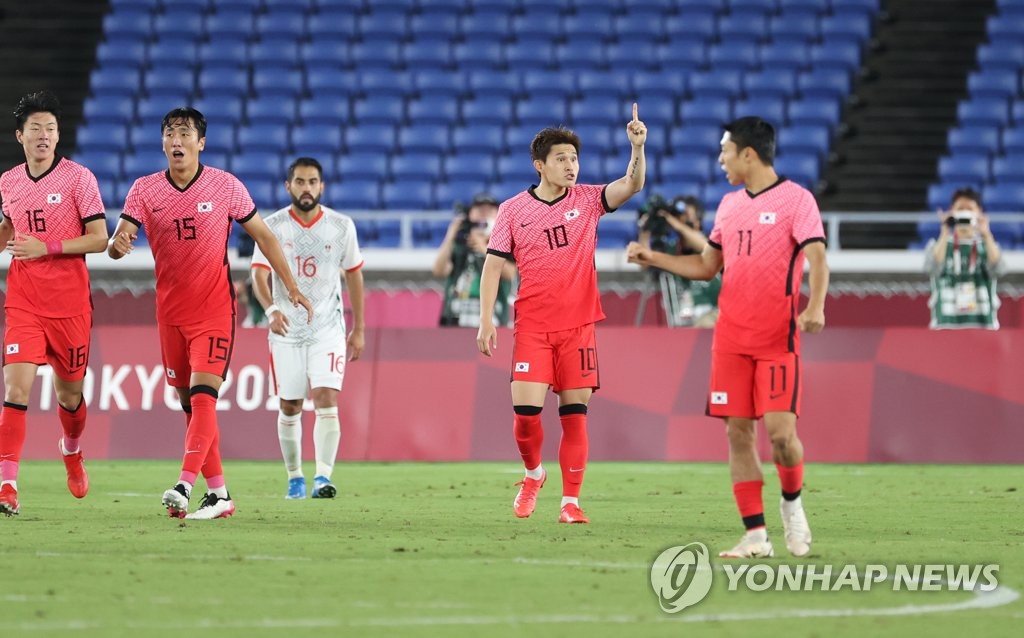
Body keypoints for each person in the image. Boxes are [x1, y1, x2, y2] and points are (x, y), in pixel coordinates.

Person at [627, 116, 829, 558]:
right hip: (730, 340)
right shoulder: (729, 206)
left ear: (748, 154)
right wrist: (652, 256)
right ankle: (755, 535)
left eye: (725, 151)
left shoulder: (798, 201)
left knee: (780, 436)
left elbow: (817, 254)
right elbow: (705, 267)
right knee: (738, 433)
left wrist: (815, 305)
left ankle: (792, 504)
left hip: (777, 338)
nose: (720, 160)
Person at [107, 107, 312, 520]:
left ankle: (184, 484)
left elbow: (265, 237)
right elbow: (118, 241)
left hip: (214, 310)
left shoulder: (225, 186)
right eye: (170, 134)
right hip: (170, 314)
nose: (177, 141)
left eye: (185, 133)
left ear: (201, 142)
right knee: (190, 404)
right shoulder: (144, 190)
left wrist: (290, 286)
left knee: (203, 397)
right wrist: (118, 245)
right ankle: (219, 494)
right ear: (162, 143)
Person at [476, 103, 648, 524]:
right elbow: (493, 265)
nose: (571, 165)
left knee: (574, 416)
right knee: (526, 416)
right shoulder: (514, 209)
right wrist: (485, 320)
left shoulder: (589, 200)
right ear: (540, 164)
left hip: (579, 328)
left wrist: (637, 148)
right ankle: (534, 475)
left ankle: (570, 503)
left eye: (574, 158)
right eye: (561, 158)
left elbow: (632, 185)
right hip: (533, 326)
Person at [0, 91, 109, 516]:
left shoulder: (79, 178)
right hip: (24, 300)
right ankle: (7, 485)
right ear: (20, 136)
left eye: (50, 129)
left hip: (69, 305)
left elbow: (99, 238)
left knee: (70, 396)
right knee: (15, 388)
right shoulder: (8, 181)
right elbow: (8, 226)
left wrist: (47, 247)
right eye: (35, 129)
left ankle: (72, 449)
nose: (44, 136)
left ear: (58, 135)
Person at [249, 157, 365, 500]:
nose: (306, 188)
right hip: (285, 330)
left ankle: (323, 478)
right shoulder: (271, 227)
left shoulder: (342, 226)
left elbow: (355, 274)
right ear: (288, 187)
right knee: (290, 405)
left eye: (312, 182)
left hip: (327, 328)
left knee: (326, 398)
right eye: (299, 182)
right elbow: (258, 273)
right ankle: (295, 477)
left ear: (322, 186)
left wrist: (359, 328)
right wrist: (271, 309)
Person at [637, 194, 720, 327]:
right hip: (682, 323)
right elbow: (644, 265)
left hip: (711, 320)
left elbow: (706, 247)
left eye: (686, 215)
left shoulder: (711, 244)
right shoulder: (671, 250)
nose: (680, 219)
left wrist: (674, 222)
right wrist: (645, 232)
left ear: (698, 221)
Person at [925, 187, 1002, 330]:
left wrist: (987, 235)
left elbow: (998, 269)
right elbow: (932, 268)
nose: (964, 212)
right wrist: (945, 232)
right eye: (960, 208)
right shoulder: (937, 245)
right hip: (945, 326)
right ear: (952, 211)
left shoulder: (988, 246)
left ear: (979, 212)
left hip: (983, 327)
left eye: (970, 208)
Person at [433, 193, 514, 327]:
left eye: (489, 210)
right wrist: (451, 234)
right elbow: (439, 270)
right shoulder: (458, 246)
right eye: (479, 209)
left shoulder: (505, 244)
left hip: (493, 322)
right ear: (469, 214)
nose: (484, 213)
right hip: (455, 321)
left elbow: (509, 274)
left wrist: (483, 247)